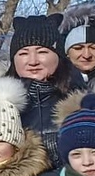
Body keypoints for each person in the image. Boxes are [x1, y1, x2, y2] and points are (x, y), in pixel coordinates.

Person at [8, 14, 73, 163]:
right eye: (23, 53)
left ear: (59, 56)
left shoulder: (79, 101)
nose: (33, 61)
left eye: (42, 52)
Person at [60, 4, 95, 94]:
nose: (86, 55)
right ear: (66, 52)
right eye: (78, 48)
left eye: (94, 48)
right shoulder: (51, 84)